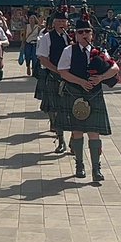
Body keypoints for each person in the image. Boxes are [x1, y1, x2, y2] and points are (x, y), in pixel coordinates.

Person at [57, 17, 118, 184]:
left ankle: (96, 168)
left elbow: (115, 68)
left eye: (87, 32)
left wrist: (101, 78)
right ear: (75, 35)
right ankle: (79, 165)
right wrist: (81, 82)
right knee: (77, 132)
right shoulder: (69, 51)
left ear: (92, 34)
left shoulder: (99, 51)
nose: (84, 34)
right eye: (80, 32)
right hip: (75, 93)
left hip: (94, 95)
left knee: (94, 132)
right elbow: (62, 72)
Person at [36, 10, 70, 152]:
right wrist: (58, 70)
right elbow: (43, 58)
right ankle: (61, 140)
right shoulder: (47, 38)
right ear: (54, 23)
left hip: (72, 78)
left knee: (71, 110)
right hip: (54, 76)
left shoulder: (71, 37)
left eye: (64, 21)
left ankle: (74, 141)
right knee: (56, 109)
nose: (62, 24)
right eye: (59, 21)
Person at [22, 11, 41, 77]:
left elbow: (39, 36)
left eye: (32, 19)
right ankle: (28, 66)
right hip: (28, 43)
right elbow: (24, 35)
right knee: (27, 56)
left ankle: (33, 70)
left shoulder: (38, 27)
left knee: (34, 57)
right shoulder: (27, 26)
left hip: (35, 44)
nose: (31, 20)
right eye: (30, 19)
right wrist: (23, 44)